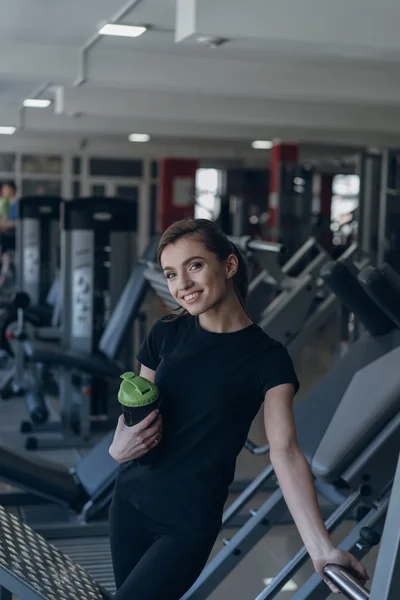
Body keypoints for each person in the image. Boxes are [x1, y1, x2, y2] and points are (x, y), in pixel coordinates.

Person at [109, 218, 369, 600]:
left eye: (194, 266)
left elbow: (285, 452)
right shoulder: (165, 332)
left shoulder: (268, 360)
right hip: (129, 504)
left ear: (228, 265)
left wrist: (321, 548)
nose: (183, 284)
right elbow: (135, 408)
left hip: (185, 526)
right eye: (171, 274)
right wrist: (118, 450)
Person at [0, 181, 18, 287]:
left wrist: (4, 226)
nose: (3, 191)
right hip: (5, 234)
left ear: (11, 190)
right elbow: (4, 219)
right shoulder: (6, 204)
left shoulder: (16, 203)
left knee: (7, 259)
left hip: (12, 236)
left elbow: (16, 221)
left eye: (5, 188)